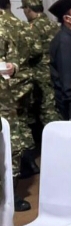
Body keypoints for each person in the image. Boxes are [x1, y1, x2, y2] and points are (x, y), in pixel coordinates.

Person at [0, 0, 41, 178]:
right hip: (24, 79)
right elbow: (36, 49)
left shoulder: (2, 25)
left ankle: (20, 167)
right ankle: (28, 162)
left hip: (6, 86)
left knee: (11, 127)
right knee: (21, 122)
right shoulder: (23, 25)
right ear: (9, 3)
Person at [0, 27, 32, 211]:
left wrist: (13, 67)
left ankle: (10, 194)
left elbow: (15, 59)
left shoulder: (2, 31)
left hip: (4, 102)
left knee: (13, 146)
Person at [19, 0, 61, 129]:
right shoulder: (54, 24)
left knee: (46, 109)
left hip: (41, 73)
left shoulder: (33, 27)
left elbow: (35, 51)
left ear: (28, 9)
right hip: (56, 70)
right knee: (55, 105)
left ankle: (55, 135)